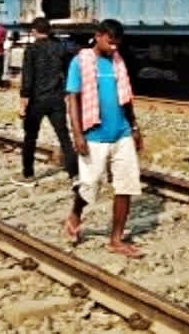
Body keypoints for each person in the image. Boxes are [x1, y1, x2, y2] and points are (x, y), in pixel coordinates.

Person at [64, 19, 144, 258]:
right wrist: (77, 134)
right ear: (98, 36)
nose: (114, 48)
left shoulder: (118, 62)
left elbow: (126, 97)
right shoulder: (81, 62)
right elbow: (72, 100)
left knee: (126, 185)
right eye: (110, 42)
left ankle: (115, 239)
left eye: (117, 43)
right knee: (90, 185)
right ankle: (75, 214)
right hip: (94, 135)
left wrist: (135, 126)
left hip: (122, 133)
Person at [14, 17, 77, 186]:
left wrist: (23, 104)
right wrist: (65, 92)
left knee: (30, 137)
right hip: (56, 99)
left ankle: (28, 175)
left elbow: (27, 79)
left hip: (37, 100)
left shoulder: (31, 50)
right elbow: (67, 71)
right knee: (64, 137)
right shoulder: (59, 48)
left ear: (35, 31)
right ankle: (75, 175)